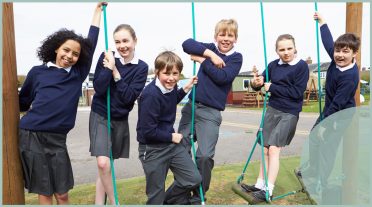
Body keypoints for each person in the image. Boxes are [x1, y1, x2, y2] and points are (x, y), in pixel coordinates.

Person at [18, 3, 104, 205]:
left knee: (63, 194)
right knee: (45, 191)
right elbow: (23, 102)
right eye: (66, 50)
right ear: (56, 47)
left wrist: (97, 11)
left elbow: (91, 43)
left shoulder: (76, 74)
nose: (70, 56)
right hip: (32, 135)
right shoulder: (37, 72)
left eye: (75, 54)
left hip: (58, 140)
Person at [177, 19, 243, 204]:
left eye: (230, 35)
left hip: (211, 113)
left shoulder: (236, 58)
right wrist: (210, 55)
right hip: (191, 107)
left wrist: (202, 60)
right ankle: (182, 190)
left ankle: (198, 195)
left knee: (204, 156)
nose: (225, 38)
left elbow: (223, 77)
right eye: (222, 34)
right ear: (216, 36)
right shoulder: (210, 50)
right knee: (180, 149)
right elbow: (187, 44)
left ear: (235, 38)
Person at [295, 12, 360, 196]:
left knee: (327, 148)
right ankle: (312, 171)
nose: (339, 55)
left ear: (354, 53)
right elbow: (328, 43)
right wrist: (323, 23)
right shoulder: (336, 59)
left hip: (339, 115)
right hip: (330, 110)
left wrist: (325, 125)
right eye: (338, 51)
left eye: (345, 51)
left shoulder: (350, 76)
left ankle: (321, 184)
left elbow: (338, 104)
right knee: (314, 138)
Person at [246, 34, 309, 203]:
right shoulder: (274, 65)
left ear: (295, 48)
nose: (286, 52)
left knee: (274, 149)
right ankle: (259, 185)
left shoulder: (301, 67)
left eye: (289, 48)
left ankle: (269, 190)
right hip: (273, 109)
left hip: (289, 113)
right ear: (277, 51)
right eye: (282, 49)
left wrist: (272, 87)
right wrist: (256, 82)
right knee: (265, 148)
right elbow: (259, 83)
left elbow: (296, 93)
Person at [89, 23, 148, 204]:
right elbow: (99, 89)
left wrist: (115, 70)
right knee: (103, 163)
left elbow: (128, 98)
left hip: (119, 119)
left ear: (134, 41)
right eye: (117, 42)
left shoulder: (141, 67)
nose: (122, 46)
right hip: (100, 114)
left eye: (125, 41)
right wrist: (108, 66)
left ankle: (99, 203)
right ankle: (115, 202)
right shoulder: (106, 56)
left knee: (107, 165)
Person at [137, 51, 201, 205]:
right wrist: (172, 136)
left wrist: (186, 88)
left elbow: (171, 100)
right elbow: (148, 131)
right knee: (155, 193)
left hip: (171, 146)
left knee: (192, 179)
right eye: (167, 73)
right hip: (152, 149)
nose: (171, 78)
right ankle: (159, 201)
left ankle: (167, 200)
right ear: (157, 72)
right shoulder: (151, 95)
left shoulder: (169, 88)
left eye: (175, 73)